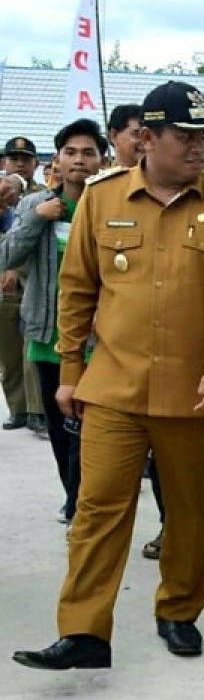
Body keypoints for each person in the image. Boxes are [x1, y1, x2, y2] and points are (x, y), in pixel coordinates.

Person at [11, 81, 204, 671]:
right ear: (147, 139)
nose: (201, 148)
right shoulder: (102, 198)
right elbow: (77, 289)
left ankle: (178, 610)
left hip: (195, 390)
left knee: (188, 510)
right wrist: (70, 371)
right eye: (187, 137)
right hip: (114, 389)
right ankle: (83, 633)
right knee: (98, 509)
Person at [0, 119, 106, 525]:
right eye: (71, 152)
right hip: (47, 335)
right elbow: (6, 256)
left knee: (91, 426)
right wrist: (37, 218)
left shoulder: (110, 206)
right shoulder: (36, 205)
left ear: (102, 159)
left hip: (99, 340)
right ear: (56, 160)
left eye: (88, 152)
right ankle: (73, 496)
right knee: (62, 429)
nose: (79, 160)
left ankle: (85, 500)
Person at [1, 136, 47, 435]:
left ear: (36, 163)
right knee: (8, 352)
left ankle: (36, 411)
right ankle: (17, 408)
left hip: (32, 281)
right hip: (2, 285)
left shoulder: (44, 196)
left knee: (33, 348)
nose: (20, 163)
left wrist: (14, 268)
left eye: (26, 158)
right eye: (13, 157)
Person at [106, 105, 144, 169]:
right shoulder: (106, 178)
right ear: (114, 136)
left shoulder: (162, 177)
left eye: (148, 135)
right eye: (137, 134)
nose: (145, 141)